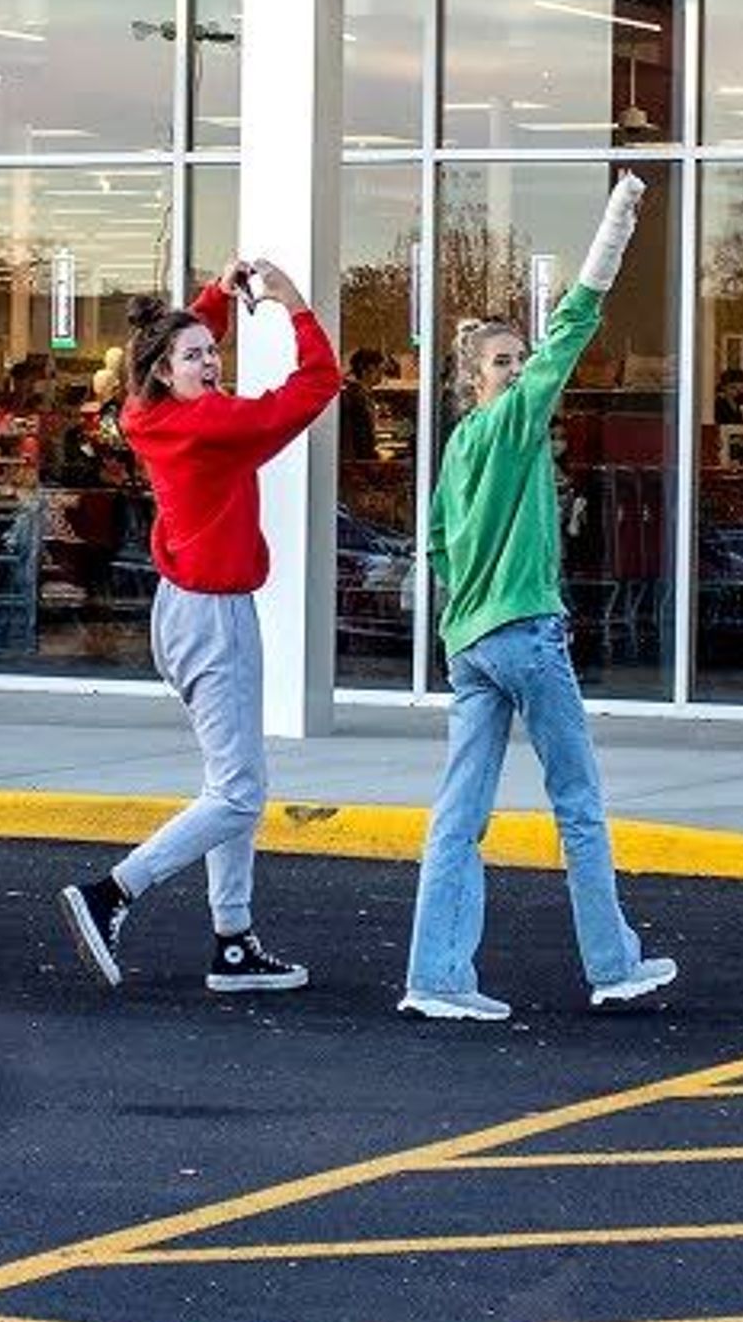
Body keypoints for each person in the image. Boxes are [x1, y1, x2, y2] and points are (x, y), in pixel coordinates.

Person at [401, 171, 681, 1022]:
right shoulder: (515, 422)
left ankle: (437, 975)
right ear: (474, 378)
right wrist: (617, 225)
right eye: (503, 361)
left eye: (520, 361)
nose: (520, 370)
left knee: (458, 815)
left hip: (472, 646)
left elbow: (439, 546)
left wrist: (474, 596)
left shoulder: (454, 449)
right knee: (579, 806)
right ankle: (611, 962)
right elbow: (575, 323)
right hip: (527, 634)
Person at [54, 256, 339, 994]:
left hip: (181, 610)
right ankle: (110, 893)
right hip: (213, 617)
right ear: (164, 371)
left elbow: (178, 342)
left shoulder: (145, 413)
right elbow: (313, 389)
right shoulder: (212, 424)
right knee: (240, 793)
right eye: (198, 355)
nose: (212, 358)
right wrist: (295, 306)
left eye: (213, 349)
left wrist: (215, 296)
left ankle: (234, 942)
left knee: (230, 782)